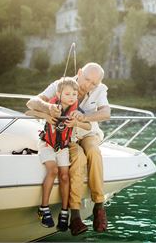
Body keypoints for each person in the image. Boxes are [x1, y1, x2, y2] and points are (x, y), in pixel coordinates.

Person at [27, 62, 111, 235]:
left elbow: (106, 113)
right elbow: (32, 102)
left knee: (94, 152)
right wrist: (48, 108)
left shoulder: (100, 89)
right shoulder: (61, 84)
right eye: (86, 79)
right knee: (79, 157)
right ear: (79, 72)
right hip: (68, 137)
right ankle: (75, 215)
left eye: (93, 83)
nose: (88, 85)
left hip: (88, 131)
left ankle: (99, 206)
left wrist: (84, 116)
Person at [25, 77, 91, 231]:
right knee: (53, 170)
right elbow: (28, 111)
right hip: (47, 144)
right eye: (67, 94)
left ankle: (64, 211)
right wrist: (47, 115)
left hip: (62, 147)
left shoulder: (76, 111)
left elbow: (88, 126)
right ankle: (43, 208)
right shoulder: (52, 106)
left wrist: (76, 123)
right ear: (59, 94)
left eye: (74, 94)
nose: (72, 97)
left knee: (64, 176)